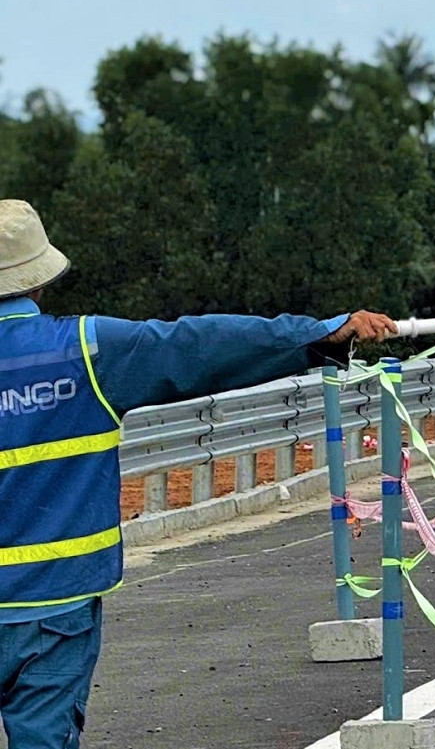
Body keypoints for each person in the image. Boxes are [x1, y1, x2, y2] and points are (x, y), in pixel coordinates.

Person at [0, 200, 398, 748]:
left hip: (56, 604)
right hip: (54, 608)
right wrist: (320, 333)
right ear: (40, 281)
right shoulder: (86, 351)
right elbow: (199, 345)